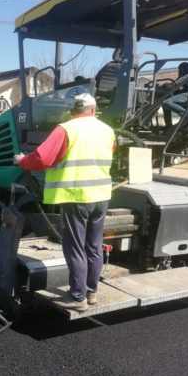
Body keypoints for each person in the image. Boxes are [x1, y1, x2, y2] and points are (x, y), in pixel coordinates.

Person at [13, 93, 115, 312]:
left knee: (75, 247)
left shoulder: (66, 129)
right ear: (94, 110)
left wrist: (22, 161)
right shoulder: (107, 130)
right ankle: (91, 292)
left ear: (73, 110)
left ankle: (78, 297)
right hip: (101, 195)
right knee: (94, 246)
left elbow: (42, 158)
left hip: (76, 196)